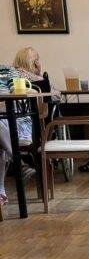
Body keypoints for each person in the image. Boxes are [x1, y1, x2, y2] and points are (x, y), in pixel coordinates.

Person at [0, 48, 61, 205]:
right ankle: (19, 162)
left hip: (11, 121)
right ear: (34, 62)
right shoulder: (33, 78)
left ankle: (16, 166)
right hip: (31, 126)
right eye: (36, 59)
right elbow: (56, 95)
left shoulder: (8, 73)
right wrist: (40, 75)